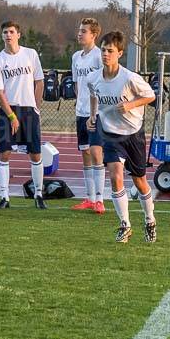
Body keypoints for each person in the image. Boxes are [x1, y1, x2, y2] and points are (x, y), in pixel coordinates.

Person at [86, 31, 158, 243]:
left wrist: (130, 105)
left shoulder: (129, 78)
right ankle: (125, 225)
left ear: (119, 53)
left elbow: (151, 96)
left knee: (140, 181)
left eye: (110, 51)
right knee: (115, 176)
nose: (106, 54)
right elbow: (93, 94)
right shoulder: (94, 78)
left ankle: (150, 219)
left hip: (133, 134)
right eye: (103, 50)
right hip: (110, 134)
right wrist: (93, 116)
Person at [0, 21, 46, 209]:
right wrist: (12, 116)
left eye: (11, 32)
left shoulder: (30, 54)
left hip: (29, 110)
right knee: (5, 152)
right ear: (2, 35)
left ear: (18, 35)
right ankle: (4, 197)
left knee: (36, 154)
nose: (8, 35)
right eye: (5, 32)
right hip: (8, 111)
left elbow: (39, 81)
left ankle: (38, 194)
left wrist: (36, 107)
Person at [70, 18, 106, 214]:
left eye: (84, 31)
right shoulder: (76, 57)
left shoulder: (99, 56)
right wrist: (80, 104)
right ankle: (89, 197)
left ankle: (100, 199)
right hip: (81, 111)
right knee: (85, 153)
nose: (80, 33)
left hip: (97, 113)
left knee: (96, 153)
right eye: (79, 30)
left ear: (94, 35)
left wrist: (96, 111)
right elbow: (77, 84)